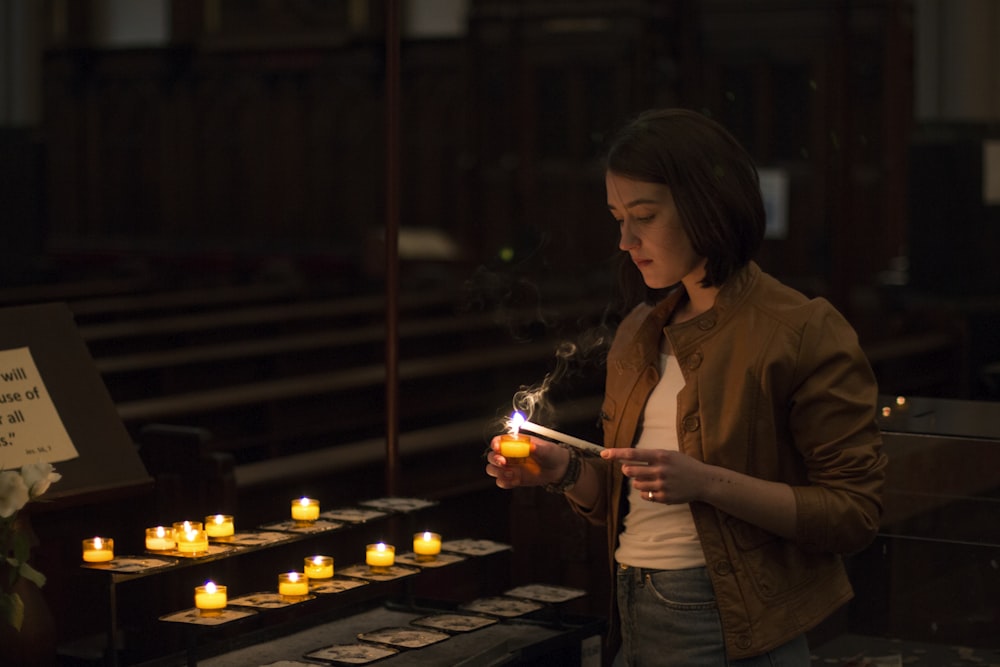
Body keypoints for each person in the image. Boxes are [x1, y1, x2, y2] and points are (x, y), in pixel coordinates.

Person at [485, 108, 886, 666]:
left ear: (706, 207)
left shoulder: (798, 330)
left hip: (726, 624)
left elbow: (853, 513)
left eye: (644, 216)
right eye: (617, 217)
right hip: (630, 611)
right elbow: (628, 500)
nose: (626, 239)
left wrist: (707, 482)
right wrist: (564, 471)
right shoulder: (639, 332)